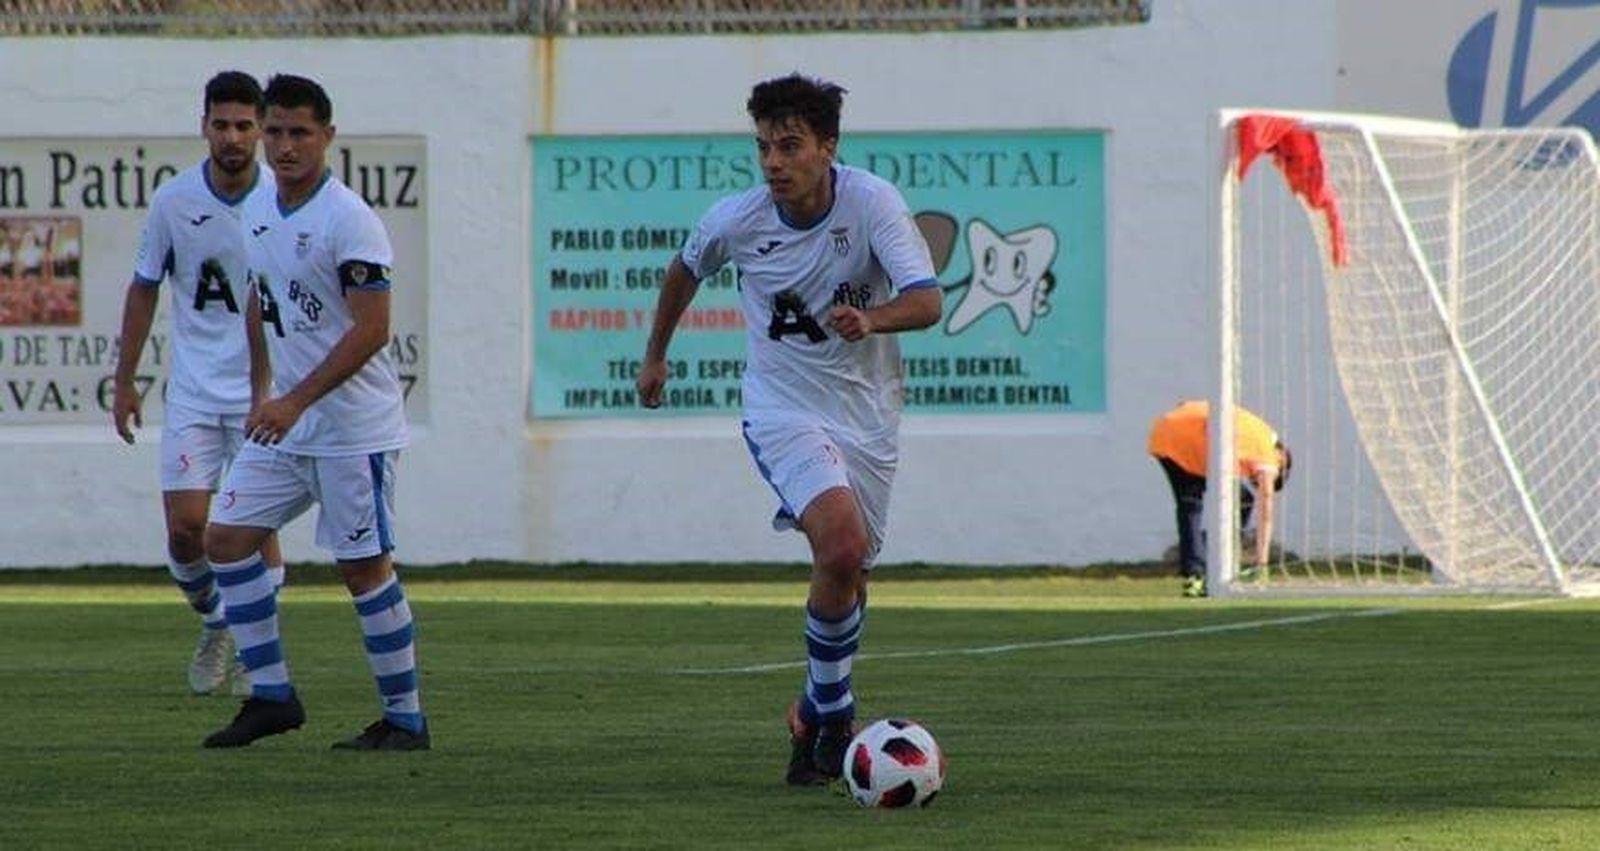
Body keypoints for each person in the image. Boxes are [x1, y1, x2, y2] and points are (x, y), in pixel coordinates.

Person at [635, 73, 942, 786]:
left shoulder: (872, 205)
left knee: (849, 573)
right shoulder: (737, 219)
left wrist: (873, 318)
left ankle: (812, 709)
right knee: (840, 544)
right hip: (782, 409)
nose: (774, 162)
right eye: (764, 146)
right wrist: (655, 357)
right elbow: (683, 270)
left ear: (828, 148)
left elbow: (926, 301)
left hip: (867, 415)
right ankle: (836, 721)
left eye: (790, 145)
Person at [200, 74, 427, 751]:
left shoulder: (349, 219)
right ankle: (272, 696)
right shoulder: (261, 208)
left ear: (328, 136)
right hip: (286, 424)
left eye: (300, 133)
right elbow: (258, 300)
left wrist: (296, 400)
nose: (284, 146)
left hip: (351, 430)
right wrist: (260, 393)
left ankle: (405, 718)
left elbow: (372, 328)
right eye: (275, 132)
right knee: (227, 538)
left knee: (363, 569)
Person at [113, 71, 287, 696]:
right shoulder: (174, 202)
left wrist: (274, 391)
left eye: (246, 125)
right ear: (204, 126)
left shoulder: (280, 200)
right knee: (188, 530)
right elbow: (143, 288)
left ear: (261, 130)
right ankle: (220, 624)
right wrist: (124, 380)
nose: (234, 137)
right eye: (222, 124)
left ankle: (254, 654)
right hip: (193, 390)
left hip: (262, 397)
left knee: (252, 530)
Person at [1147, 399, 1292, 598]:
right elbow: (1266, 502)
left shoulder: (1257, 430)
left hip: (1164, 432)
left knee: (1192, 506)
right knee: (1226, 502)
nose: (1254, 479)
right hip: (1194, 442)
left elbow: (1189, 405)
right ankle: (1212, 554)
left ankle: (1194, 575)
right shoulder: (1269, 455)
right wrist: (1262, 562)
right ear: (1282, 459)